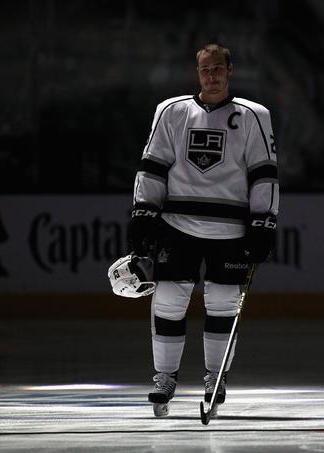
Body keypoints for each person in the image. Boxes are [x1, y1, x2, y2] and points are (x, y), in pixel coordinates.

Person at [115, 43, 279, 417]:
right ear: (197, 72)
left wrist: (264, 220)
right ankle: (165, 377)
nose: (212, 76)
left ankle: (214, 377)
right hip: (177, 225)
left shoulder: (254, 116)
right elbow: (153, 165)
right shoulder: (172, 111)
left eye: (218, 68)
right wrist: (144, 211)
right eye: (205, 70)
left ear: (230, 70)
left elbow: (264, 173)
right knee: (169, 300)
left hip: (231, 230)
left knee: (223, 302)